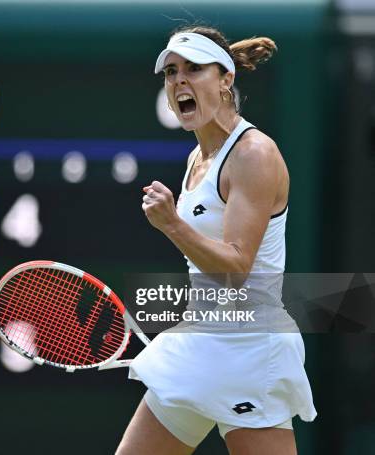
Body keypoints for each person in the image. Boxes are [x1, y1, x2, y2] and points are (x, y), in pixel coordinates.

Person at [116, 25, 317, 455]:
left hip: (250, 354)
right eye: (170, 73)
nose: (179, 82)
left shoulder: (253, 155)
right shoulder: (197, 159)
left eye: (194, 69)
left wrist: (172, 224)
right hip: (203, 346)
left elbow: (236, 270)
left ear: (226, 79)